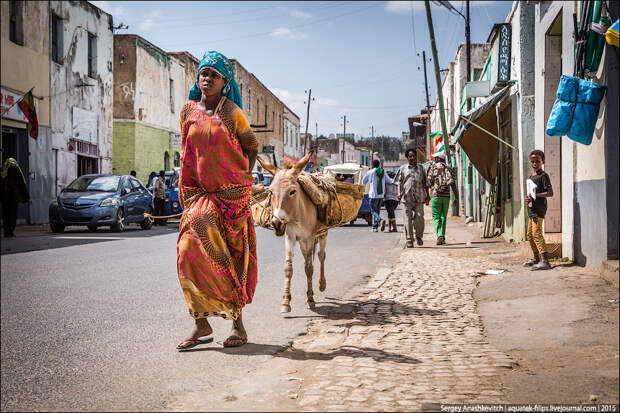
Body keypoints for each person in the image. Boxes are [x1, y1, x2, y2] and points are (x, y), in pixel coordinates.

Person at [176, 50, 259, 350]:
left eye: (214, 74)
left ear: (225, 82)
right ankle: (201, 323)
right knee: (187, 253)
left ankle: (238, 326)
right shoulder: (187, 112)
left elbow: (252, 148)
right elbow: (187, 154)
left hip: (231, 197)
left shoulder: (233, 113)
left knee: (233, 259)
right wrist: (186, 189)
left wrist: (241, 182)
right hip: (199, 197)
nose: (207, 78)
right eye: (204, 72)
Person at [524, 149, 553, 271]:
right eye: (532, 161)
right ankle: (536, 258)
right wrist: (528, 198)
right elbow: (531, 193)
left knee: (537, 234)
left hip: (539, 210)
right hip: (531, 209)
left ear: (543, 161)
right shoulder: (531, 177)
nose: (535, 164)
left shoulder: (543, 176)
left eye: (537, 161)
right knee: (529, 235)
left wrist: (537, 195)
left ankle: (545, 261)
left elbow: (550, 193)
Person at [395, 148, 429, 247]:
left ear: (416, 157)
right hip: (406, 198)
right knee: (407, 220)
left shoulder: (421, 168)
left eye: (413, 156)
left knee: (419, 217)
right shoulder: (402, 169)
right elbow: (399, 183)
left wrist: (428, 196)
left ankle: (419, 236)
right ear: (407, 158)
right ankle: (409, 239)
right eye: (410, 156)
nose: (412, 158)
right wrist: (398, 193)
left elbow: (425, 183)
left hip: (419, 198)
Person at [426, 152, 458, 245]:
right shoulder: (448, 168)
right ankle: (442, 237)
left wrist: (428, 195)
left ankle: (439, 235)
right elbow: (453, 184)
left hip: (435, 196)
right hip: (446, 197)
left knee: (436, 217)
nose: (434, 160)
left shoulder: (433, 167)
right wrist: (456, 197)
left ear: (439, 159)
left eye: (435, 158)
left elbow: (428, 182)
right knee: (443, 217)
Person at [1, 158, 29, 238]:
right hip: (14, 197)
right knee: (13, 215)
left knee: (5, 215)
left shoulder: (3, 171)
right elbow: (22, 184)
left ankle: (6, 233)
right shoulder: (17, 170)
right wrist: (25, 196)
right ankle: (11, 232)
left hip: (5, 198)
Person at [362, 159, 393, 232]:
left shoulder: (370, 172)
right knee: (377, 210)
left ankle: (380, 220)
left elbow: (363, 182)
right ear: (379, 165)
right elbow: (389, 181)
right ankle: (375, 227)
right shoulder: (383, 171)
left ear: (372, 165)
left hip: (373, 194)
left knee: (373, 211)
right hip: (381, 195)